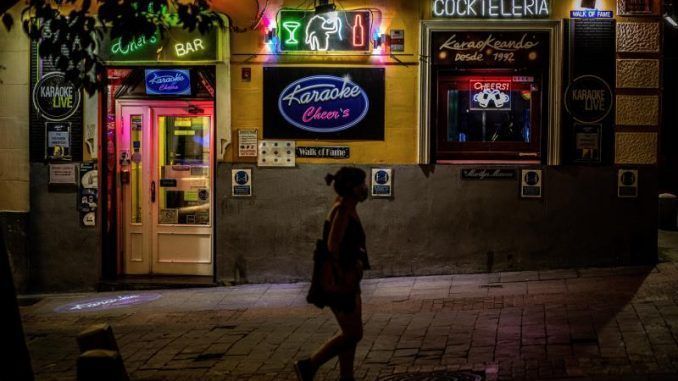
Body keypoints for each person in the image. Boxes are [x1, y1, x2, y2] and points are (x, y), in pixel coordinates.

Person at [294, 167, 371, 381]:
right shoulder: (343, 210)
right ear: (352, 188)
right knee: (354, 333)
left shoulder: (347, 206)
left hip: (346, 279)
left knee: (350, 333)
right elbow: (333, 246)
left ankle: (347, 376)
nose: (365, 188)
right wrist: (344, 274)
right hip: (339, 281)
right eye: (362, 184)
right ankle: (309, 365)